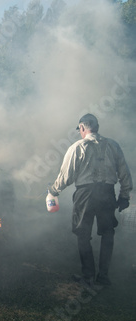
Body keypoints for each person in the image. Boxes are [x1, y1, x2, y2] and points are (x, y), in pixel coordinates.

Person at [49, 113, 133, 286]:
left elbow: (66, 176)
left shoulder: (77, 147)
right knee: (108, 233)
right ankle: (103, 277)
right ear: (97, 127)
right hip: (107, 193)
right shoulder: (113, 145)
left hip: (85, 194)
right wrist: (124, 195)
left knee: (83, 234)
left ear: (82, 127)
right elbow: (124, 173)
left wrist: (53, 191)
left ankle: (88, 276)